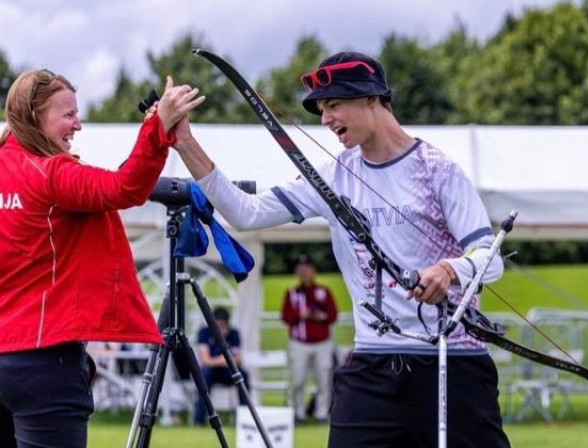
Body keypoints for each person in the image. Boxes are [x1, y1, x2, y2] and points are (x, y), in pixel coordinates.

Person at [172, 51, 510, 448]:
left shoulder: (438, 170)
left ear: (372, 99)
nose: (325, 119)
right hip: (372, 365)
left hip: (452, 362)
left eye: (334, 105)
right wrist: (185, 143)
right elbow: (245, 213)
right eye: (321, 109)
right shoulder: (334, 176)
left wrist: (450, 270)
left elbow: (490, 258)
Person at [0, 69, 204, 448]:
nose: (77, 125)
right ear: (33, 116)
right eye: (68, 115)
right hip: (44, 362)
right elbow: (123, 188)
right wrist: (157, 129)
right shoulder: (51, 172)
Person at [281, 254, 339, 423]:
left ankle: (321, 413)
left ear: (313, 270)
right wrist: (301, 314)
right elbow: (285, 317)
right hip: (299, 342)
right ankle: (298, 413)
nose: (304, 272)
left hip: (322, 342)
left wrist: (321, 316)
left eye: (307, 268)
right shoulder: (291, 294)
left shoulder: (323, 291)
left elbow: (333, 315)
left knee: (323, 379)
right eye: (301, 268)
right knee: (297, 380)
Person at [193, 306, 250, 426]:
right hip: (212, 370)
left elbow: (238, 358)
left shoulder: (233, 334)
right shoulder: (205, 333)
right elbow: (205, 360)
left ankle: (245, 417)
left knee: (243, 375)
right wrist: (222, 360)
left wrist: (227, 361)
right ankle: (199, 419)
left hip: (228, 371)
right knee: (204, 377)